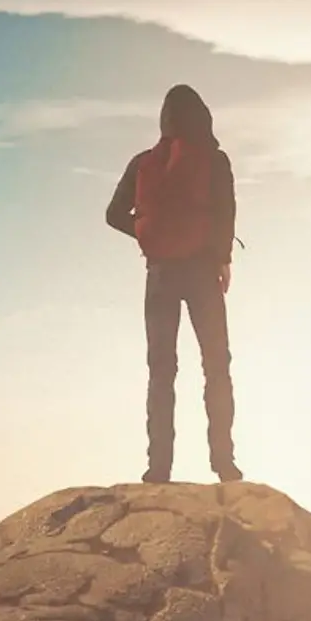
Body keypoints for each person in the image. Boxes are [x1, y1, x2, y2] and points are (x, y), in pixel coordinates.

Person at [106, 84, 242, 485]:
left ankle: (158, 468)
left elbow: (114, 214)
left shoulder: (143, 163)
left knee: (162, 370)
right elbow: (226, 212)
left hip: (160, 274)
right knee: (216, 365)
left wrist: (147, 234)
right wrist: (222, 258)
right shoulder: (214, 160)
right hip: (202, 271)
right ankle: (225, 463)